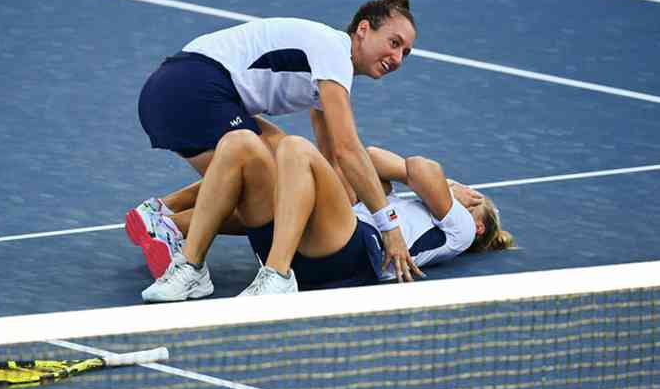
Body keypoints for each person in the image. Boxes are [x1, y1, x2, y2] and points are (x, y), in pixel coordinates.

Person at [129, 0, 421, 283]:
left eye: (405, 53)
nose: (397, 58)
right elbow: (348, 150)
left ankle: (159, 211)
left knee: (279, 158)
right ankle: (178, 234)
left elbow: (331, 163)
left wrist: (346, 202)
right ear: (363, 29)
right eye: (393, 43)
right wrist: (389, 227)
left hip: (177, 84)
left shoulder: (328, 63)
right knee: (268, 196)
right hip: (193, 92)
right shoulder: (334, 54)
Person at [134, 131, 515, 301]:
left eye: (474, 196)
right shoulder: (409, 205)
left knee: (296, 149)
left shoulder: (462, 229)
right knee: (241, 144)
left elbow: (420, 166)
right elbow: (373, 156)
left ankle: (279, 276)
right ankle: (189, 263)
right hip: (306, 242)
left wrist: (453, 190)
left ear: (479, 219)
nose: (466, 189)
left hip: (350, 255)